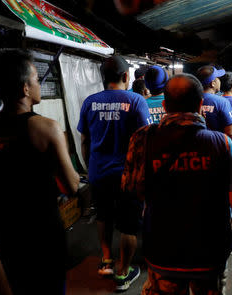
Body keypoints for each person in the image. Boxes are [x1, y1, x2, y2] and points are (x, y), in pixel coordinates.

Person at [122, 74, 232, 295]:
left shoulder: (142, 139)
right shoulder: (221, 143)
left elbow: (131, 190)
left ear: (164, 106)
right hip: (209, 250)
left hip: (162, 249)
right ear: (200, 105)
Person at [0, 48, 80, 295]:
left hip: (4, 231)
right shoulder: (46, 128)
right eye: (35, 79)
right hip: (43, 233)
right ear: (25, 88)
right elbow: (70, 186)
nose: (38, 84)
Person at [77, 55, 152, 291]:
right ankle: (123, 273)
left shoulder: (89, 102)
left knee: (103, 216)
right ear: (125, 76)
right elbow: (146, 139)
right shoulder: (136, 101)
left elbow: (85, 141)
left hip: (99, 172)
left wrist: (91, 169)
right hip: (127, 175)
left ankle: (107, 260)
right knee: (129, 224)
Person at [195, 65, 232, 161]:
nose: (219, 81)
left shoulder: (192, 100)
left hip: (198, 154)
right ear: (213, 83)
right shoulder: (221, 101)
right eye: (217, 79)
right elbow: (231, 133)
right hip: (219, 152)